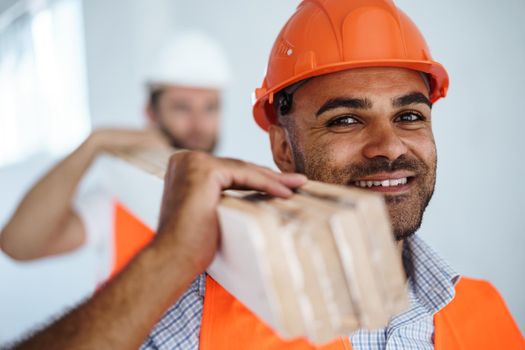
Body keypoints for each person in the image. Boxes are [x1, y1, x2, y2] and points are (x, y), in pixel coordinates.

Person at [7, 1, 524, 349]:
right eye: (346, 119)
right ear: (282, 147)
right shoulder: (199, 312)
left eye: (410, 115)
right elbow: (19, 242)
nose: (389, 147)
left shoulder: (486, 314)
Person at [0, 30, 231, 278]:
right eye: (181, 107)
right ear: (151, 113)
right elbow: (19, 244)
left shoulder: (238, 193)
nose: (198, 124)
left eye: (210, 107)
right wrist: (94, 143)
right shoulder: (119, 194)